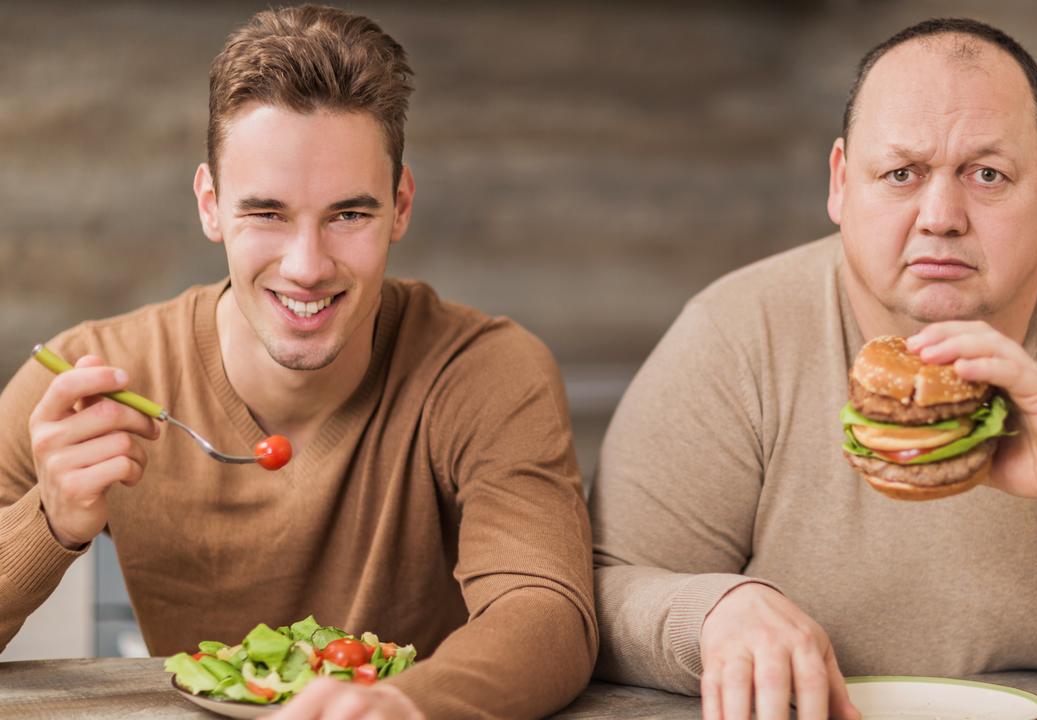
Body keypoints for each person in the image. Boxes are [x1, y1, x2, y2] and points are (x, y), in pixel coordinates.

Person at [590, 16, 1037, 720]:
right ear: (839, 184)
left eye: (987, 174)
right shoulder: (738, 333)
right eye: (900, 174)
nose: (942, 216)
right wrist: (714, 613)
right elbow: (595, 593)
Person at [0, 6, 595, 719]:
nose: (308, 267)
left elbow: (548, 614)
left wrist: (404, 705)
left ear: (400, 207)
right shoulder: (91, 378)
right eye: (267, 214)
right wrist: (52, 522)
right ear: (211, 204)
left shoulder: (487, 371)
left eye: (349, 215)